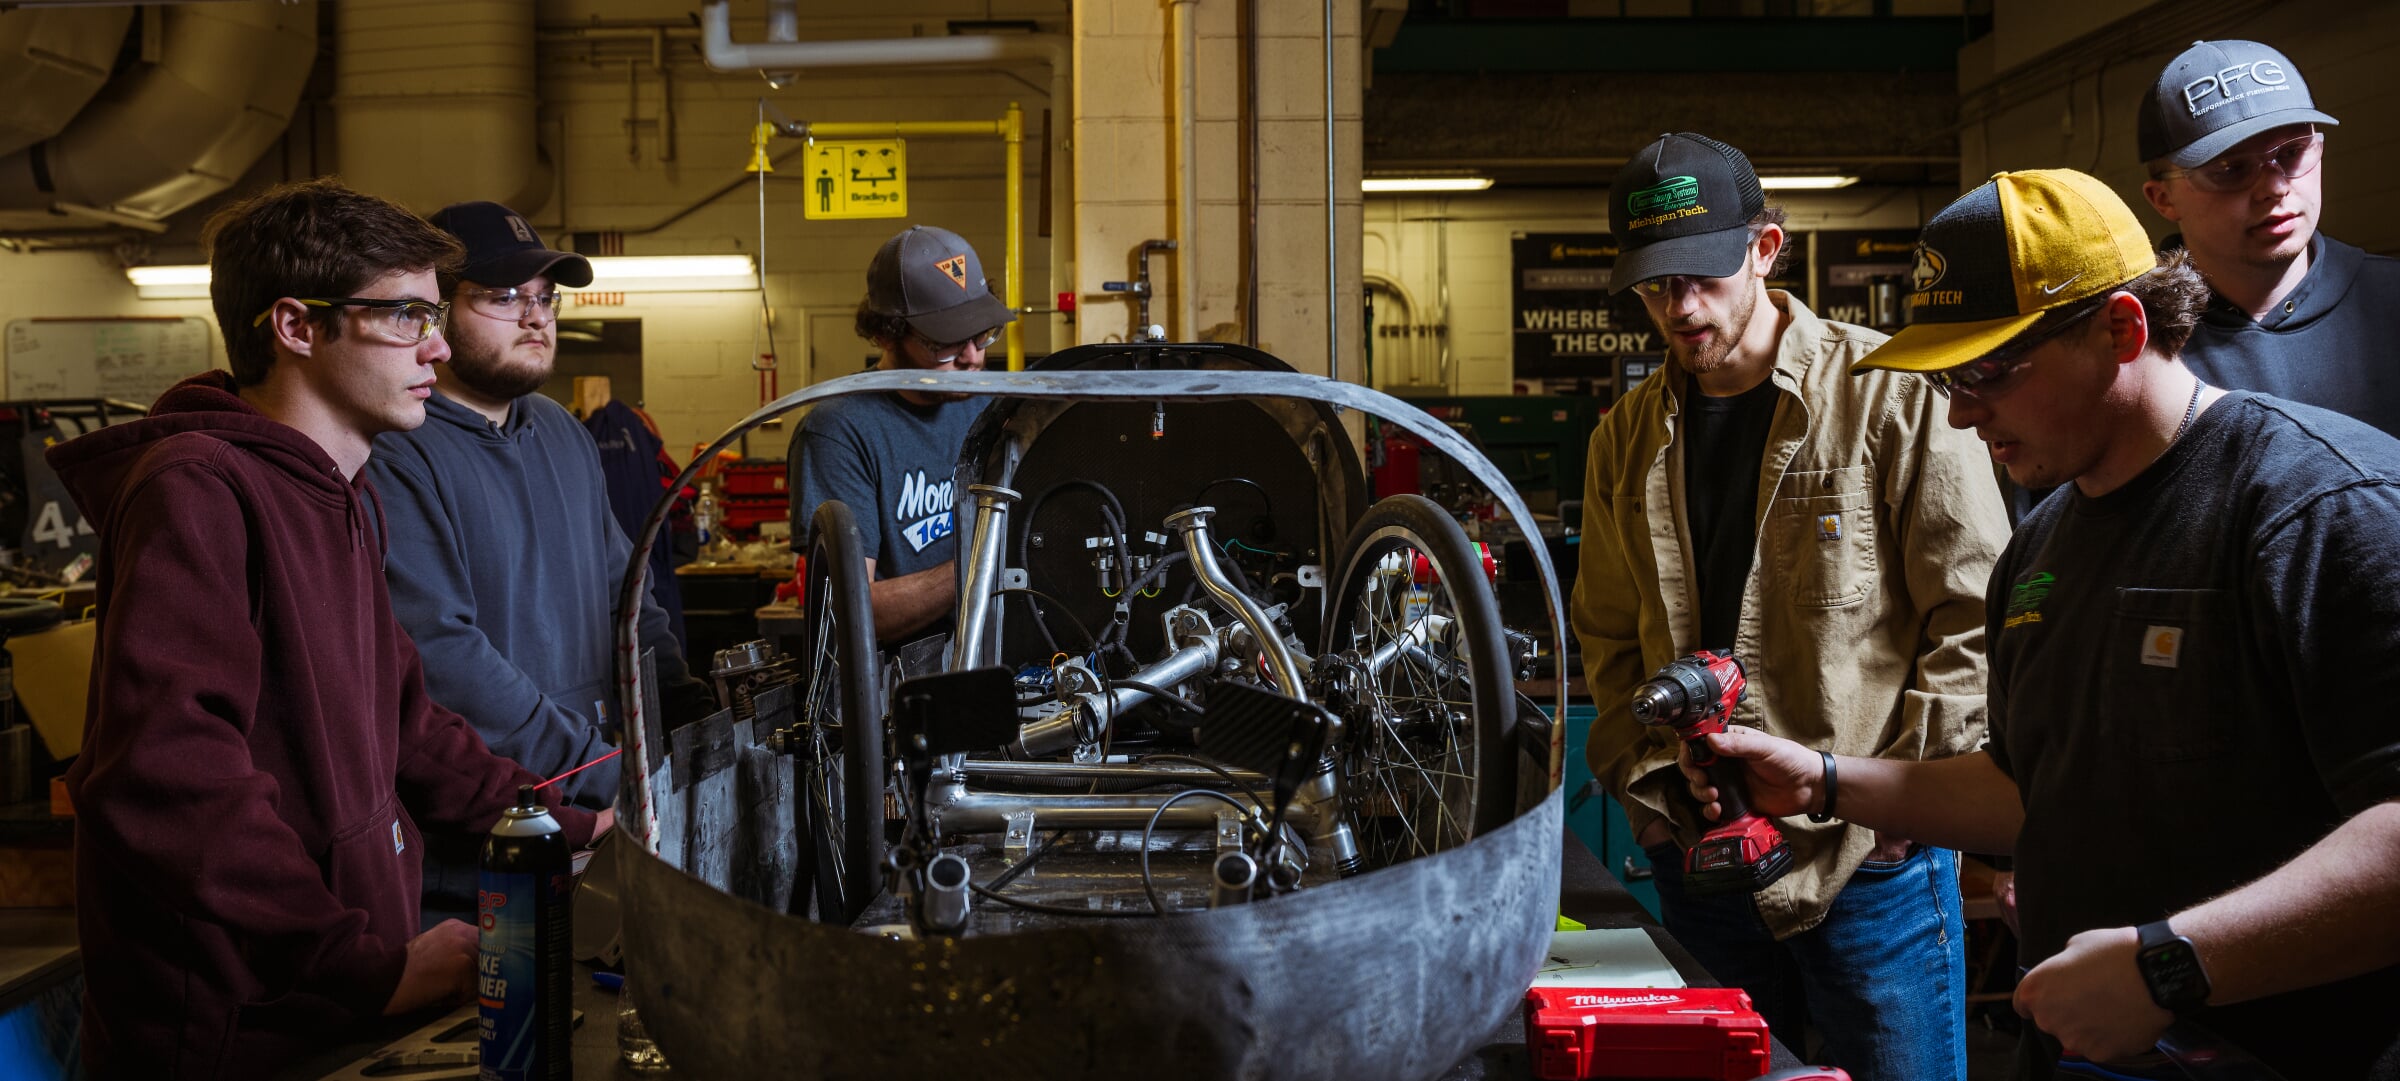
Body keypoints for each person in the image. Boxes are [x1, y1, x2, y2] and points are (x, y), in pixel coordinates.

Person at [1696, 168, 2400, 1079]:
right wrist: (1826, 781)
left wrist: (2172, 963)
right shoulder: (2042, 544)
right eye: (1948, 377)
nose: (1959, 410)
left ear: (2123, 328)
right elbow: (2029, 787)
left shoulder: (2320, 507)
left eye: (1989, 371)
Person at [49, 179, 605, 1077]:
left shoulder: (343, 493)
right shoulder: (197, 488)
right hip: (232, 1027)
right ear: (296, 327)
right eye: (405, 318)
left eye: (435, 315)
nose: (436, 345)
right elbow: (170, 776)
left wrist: (572, 825)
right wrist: (359, 963)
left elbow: (412, 727)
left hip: (333, 1002)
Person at [1572, 132, 2009, 1080]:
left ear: (1767, 250)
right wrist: (1651, 804)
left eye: (1703, 274)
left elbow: (1974, 614)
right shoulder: (1627, 439)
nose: (1682, 307)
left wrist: (1905, 806)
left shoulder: (1891, 395)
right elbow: (1608, 639)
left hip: (1870, 866)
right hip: (1704, 859)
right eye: (1654, 286)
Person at [367, 200, 702, 922]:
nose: (536, 316)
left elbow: (627, 594)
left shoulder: (560, 431)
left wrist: (681, 707)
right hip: (478, 856)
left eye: (546, 298)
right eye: (502, 296)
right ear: (434, 310)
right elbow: (444, 658)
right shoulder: (398, 446)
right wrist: (598, 768)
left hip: (597, 817)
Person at [2137, 39, 2400, 435]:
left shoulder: (2390, 300)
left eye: (2293, 152)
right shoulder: (2133, 347)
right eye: (2230, 169)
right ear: (2163, 198)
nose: (2274, 187)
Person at [785, 224, 1015, 644]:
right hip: (900, 688)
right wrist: (990, 559)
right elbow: (849, 614)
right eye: (945, 343)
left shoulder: (996, 408)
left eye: (982, 335)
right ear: (884, 335)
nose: (972, 357)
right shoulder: (839, 430)